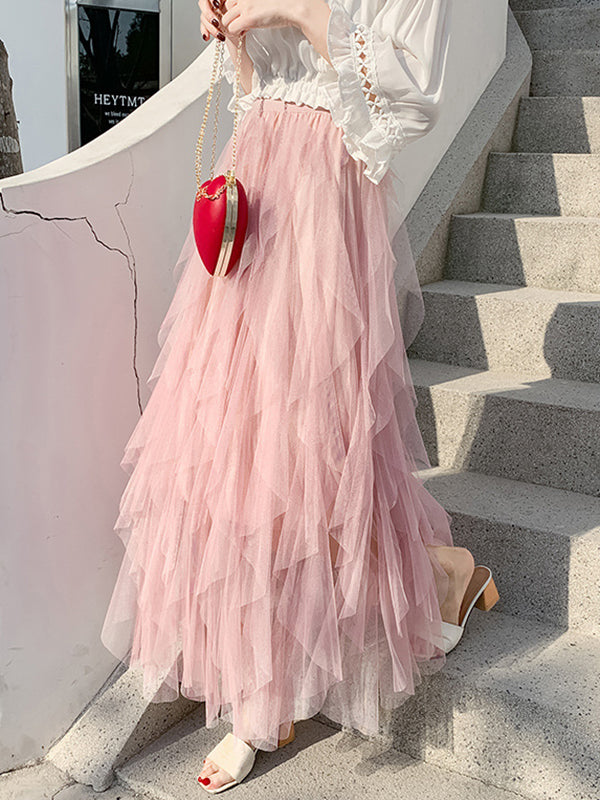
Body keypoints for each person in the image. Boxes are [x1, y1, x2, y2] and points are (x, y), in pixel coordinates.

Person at [100, 0, 499, 793]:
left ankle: (264, 696)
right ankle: (442, 577)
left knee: (306, 443)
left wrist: (291, 9)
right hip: (256, 181)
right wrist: (237, 30)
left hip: (324, 195)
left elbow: (407, 100)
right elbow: (258, 88)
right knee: (232, 437)